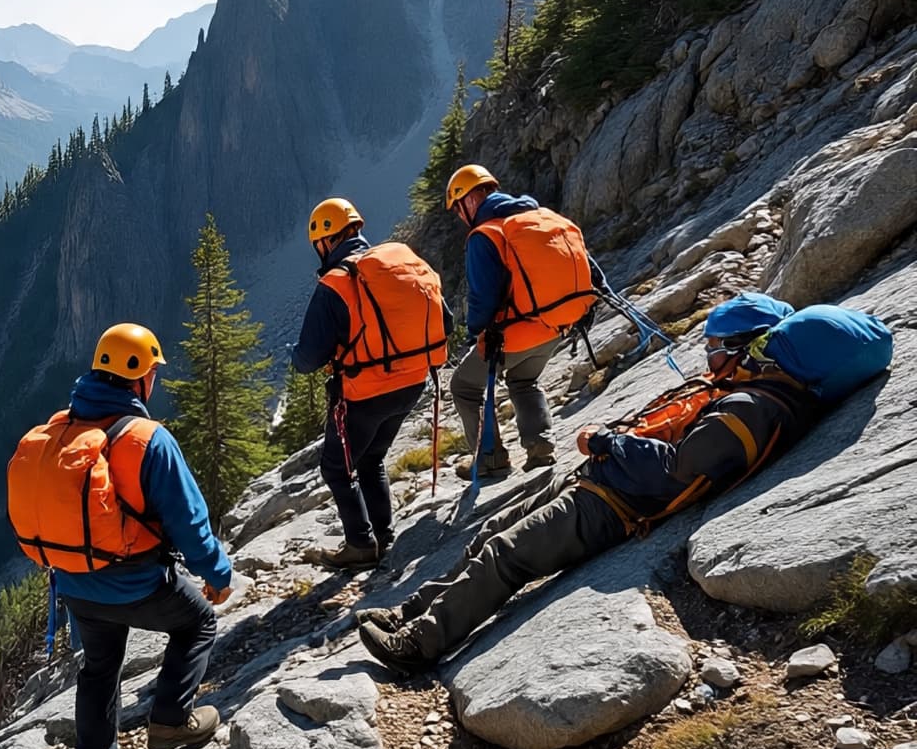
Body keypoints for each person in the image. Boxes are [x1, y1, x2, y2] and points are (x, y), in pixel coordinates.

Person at [356, 293, 816, 674]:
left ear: (743, 345)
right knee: (489, 535)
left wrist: (609, 442)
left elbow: (676, 468)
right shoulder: (746, 389)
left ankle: (419, 645)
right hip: (599, 479)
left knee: (505, 554)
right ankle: (411, 612)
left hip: (614, 503)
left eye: (714, 344)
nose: (708, 353)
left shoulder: (750, 408)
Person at [7, 323, 233, 749]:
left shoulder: (61, 429)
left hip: (75, 584)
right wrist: (218, 574)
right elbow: (189, 522)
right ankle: (170, 720)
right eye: (153, 372)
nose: (155, 380)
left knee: (99, 666)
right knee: (197, 625)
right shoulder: (148, 440)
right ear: (141, 378)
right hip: (137, 583)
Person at [293, 198, 453, 569]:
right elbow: (444, 322)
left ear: (326, 241)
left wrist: (295, 354)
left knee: (337, 467)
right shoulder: (400, 263)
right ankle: (384, 536)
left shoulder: (336, 284)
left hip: (365, 393)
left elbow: (308, 359)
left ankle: (361, 544)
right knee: (372, 458)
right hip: (413, 383)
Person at [443, 164, 604, 482]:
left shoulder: (485, 235)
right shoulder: (540, 218)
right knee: (524, 380)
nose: (460, 216)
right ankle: (540, 446)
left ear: (470, 199)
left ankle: (490, 459)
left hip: (514, 334)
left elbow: (483, 298)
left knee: (464, 387)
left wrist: (476, 333)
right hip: (556, 325)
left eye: (458, 208)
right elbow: (590, 267)